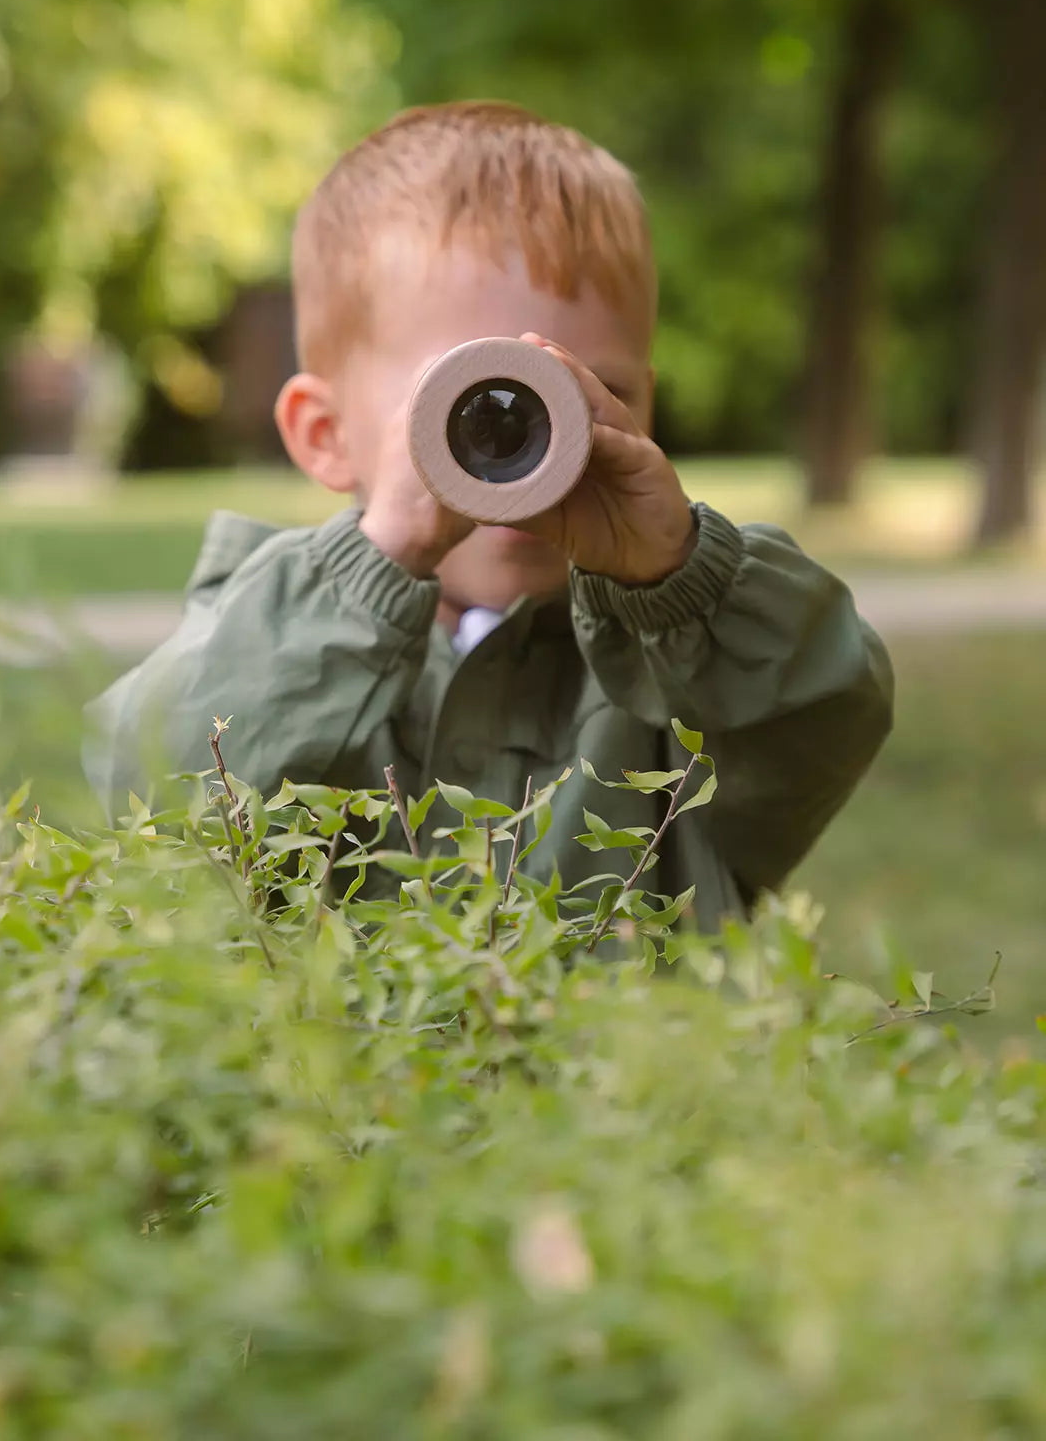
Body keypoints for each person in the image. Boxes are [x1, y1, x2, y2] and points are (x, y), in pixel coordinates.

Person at [85, 102, 893, 929]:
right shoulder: (262, 628)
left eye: (595, 395)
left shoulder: (678, 687)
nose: (533, 445)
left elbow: (826, 716)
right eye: (472, 406)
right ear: (325, 436)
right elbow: (152, 804)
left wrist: (685, 580)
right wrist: (374, 564)